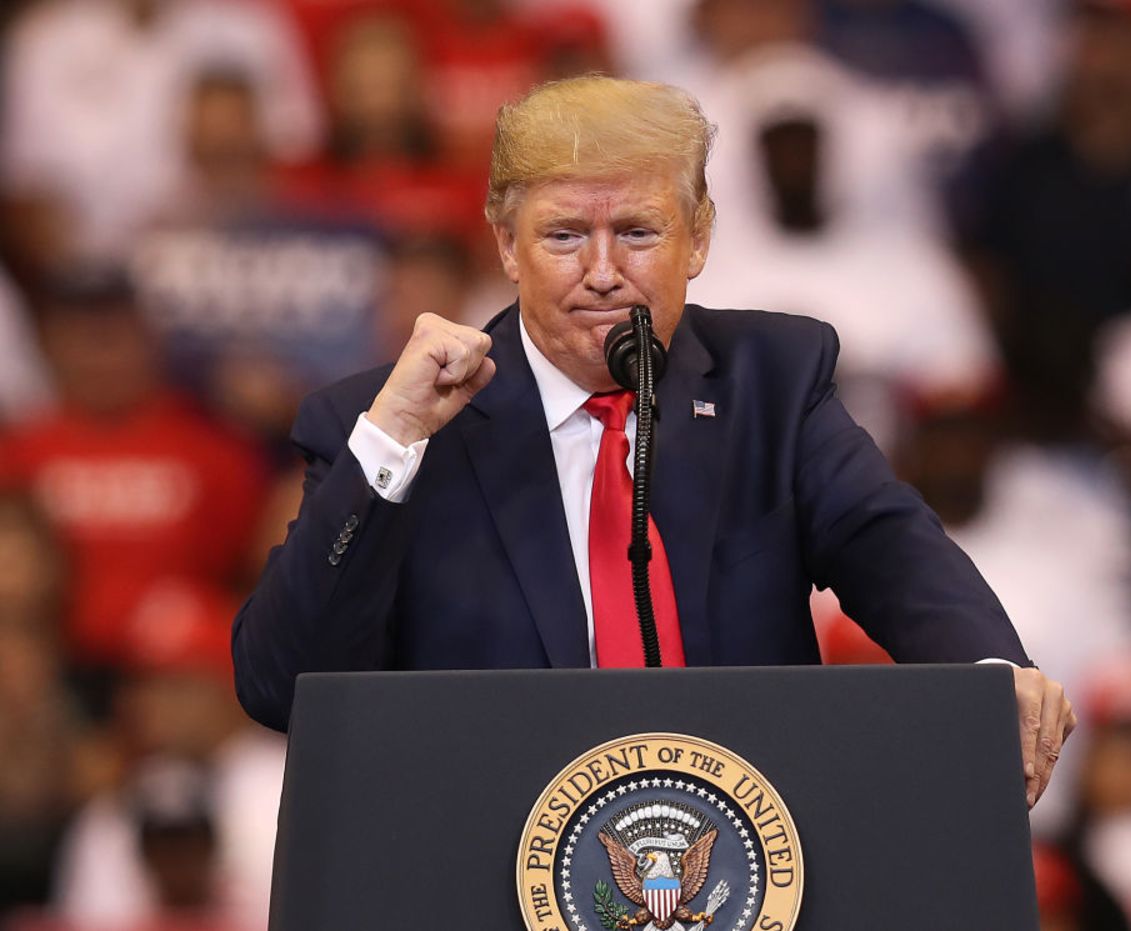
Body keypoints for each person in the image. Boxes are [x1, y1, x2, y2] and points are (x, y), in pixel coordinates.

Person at [232, 75, 1075, 810]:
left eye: (638, 232)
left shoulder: (771, 384)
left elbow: (886, 544)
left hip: (750, 873)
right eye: (564, 236)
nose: (603, 271)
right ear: (505, 244)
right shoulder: (395, 422)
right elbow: (283, 685)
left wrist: (987, 669)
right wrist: (392, 443)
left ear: (699, 237)